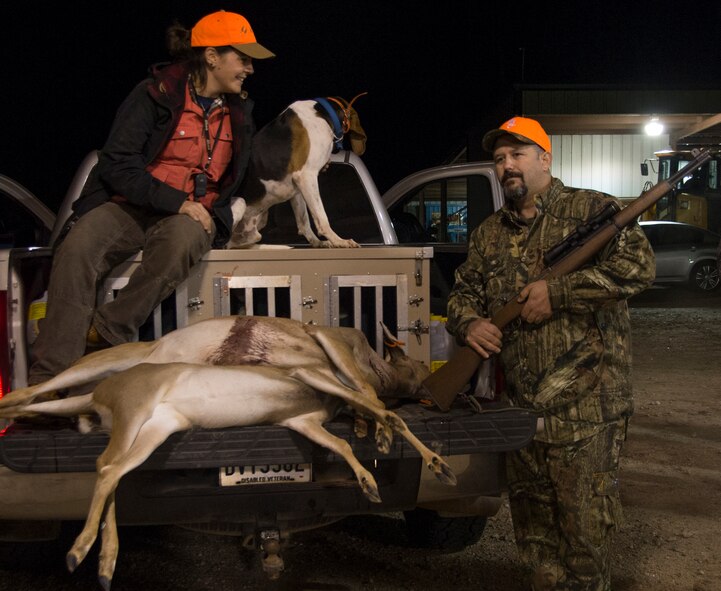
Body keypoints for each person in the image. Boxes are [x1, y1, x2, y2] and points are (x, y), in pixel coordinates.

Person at [445, 117, 655, 591]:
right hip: (522, 412)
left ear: (545, 157)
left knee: (585, 539)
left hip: (587, 410)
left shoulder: (593, 211)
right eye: (499, 159)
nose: (506, 166)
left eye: (517, 154)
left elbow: (638, 269)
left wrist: (558, 293)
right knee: (535, 545)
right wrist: (470, 324)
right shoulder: (488, 234)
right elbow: (463, 294)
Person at [28, 10, 274, 385]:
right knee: (78, 250)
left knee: (183, 241)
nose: (250, 68)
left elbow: (236, 181)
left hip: (185, 218)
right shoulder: (154, 94)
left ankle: (108, 330)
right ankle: (48, 383)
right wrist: (177, 201)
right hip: (130, 205)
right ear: (211, 56)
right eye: (242, 58)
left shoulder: (240, 113)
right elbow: (117, 164)